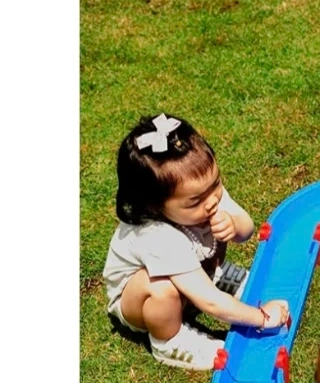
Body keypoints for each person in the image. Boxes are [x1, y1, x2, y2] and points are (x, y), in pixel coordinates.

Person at [103, 113, 291, 369]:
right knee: (162, 288)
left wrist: (234, 224)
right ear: (154, 206)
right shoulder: (156, 237)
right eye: (195, 201)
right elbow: (210, 302)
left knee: (210, 231)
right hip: (140, 302)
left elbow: (246, 230)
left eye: (216, 184)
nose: (212, 200)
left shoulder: (202, 192)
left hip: (189, 273)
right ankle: (168, 342)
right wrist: (262, 317)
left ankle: (210, 275)